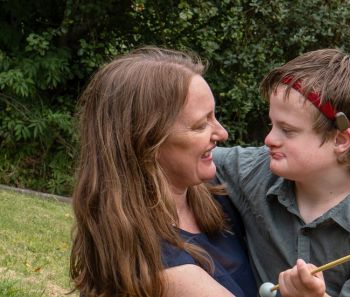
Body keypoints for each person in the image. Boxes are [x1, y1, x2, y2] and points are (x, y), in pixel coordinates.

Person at [214, 48, 350, 297]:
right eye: (272, 124)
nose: (269, 139)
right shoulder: (256, 170)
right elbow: (190, 156)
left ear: (340, 140)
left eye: (287, 130)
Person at [69, 46, 257, 297]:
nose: (222, 133)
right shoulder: (163, 269)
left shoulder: (216, 194)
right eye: (201, 124)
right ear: (148, 142)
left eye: (215, 116)